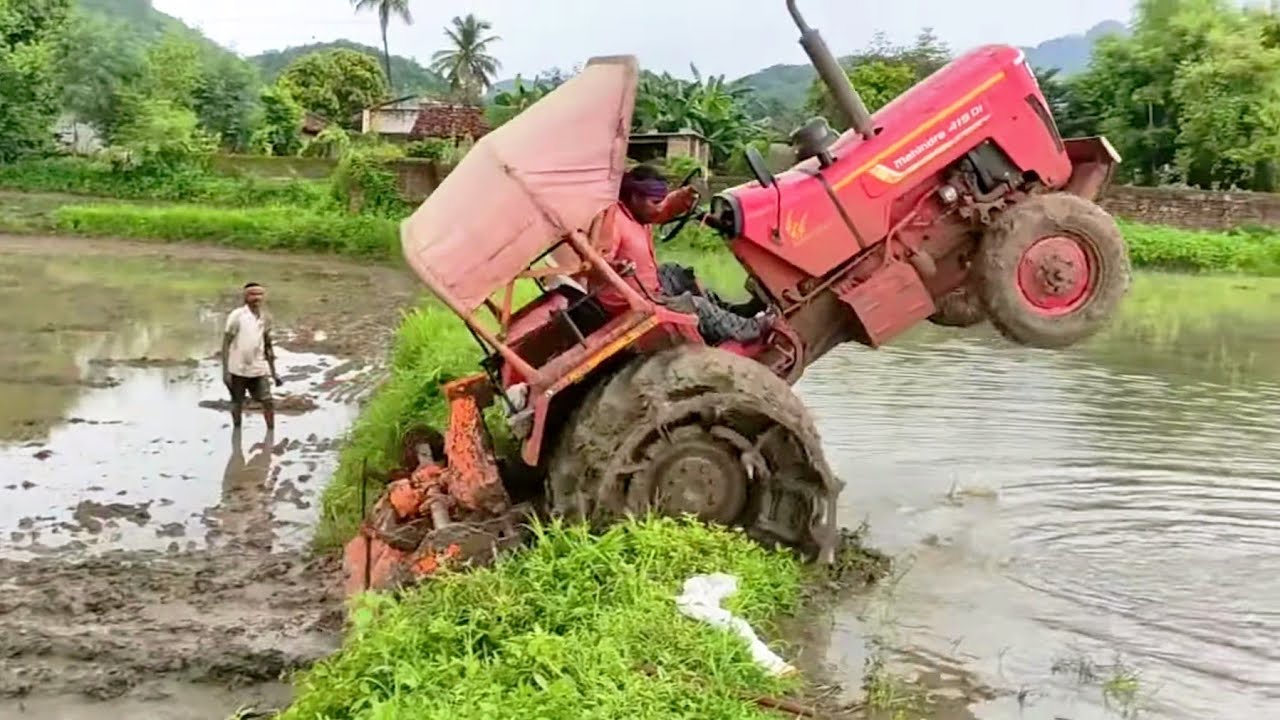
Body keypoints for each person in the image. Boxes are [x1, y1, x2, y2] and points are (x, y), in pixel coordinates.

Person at [586, 164, 772, 344]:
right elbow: (596, 264)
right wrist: (616, 267)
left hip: (647, 288)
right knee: (693, 303)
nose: (659, 208)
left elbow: (665, 209)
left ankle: (727, 313)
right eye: (655, 202)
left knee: (677, 273)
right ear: (635, 197)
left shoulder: (640, 214)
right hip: (629, 302)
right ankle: (750, 328)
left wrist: (685, 195)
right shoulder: (614, 221)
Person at [221, 282, 282, 430]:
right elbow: (226, 344)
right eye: (253, 294)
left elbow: (268, 345)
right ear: (245, 296)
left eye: (260, 294)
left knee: (268, 401)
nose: (257, 298)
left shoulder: (265, 318)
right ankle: (237, 434)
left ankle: (271, 432)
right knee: (237, 402)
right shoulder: (237, 316)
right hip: (237, 369)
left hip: (258, 368)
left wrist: (274, 373)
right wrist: (225, 371)